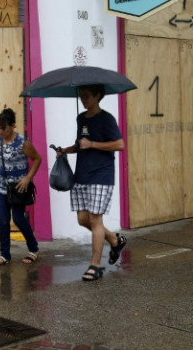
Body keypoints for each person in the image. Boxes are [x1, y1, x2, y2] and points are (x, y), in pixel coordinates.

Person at [56, 85, 127, 281]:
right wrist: (66, 150)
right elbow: (80, 145)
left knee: (96, 220)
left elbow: (120, 144)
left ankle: (95, 266)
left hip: (101, 175)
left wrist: (93, 144)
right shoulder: (81, 118)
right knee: (82, 219)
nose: (83, 99)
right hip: (81, 175)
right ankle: (114, 240)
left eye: (86, 96)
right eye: (81, 96)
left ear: (98, 96)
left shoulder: (107, 119)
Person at [0, 108, 41, 267]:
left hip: (18, 187)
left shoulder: (22, 142)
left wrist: (27, 178)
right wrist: (0, 175)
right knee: (3, 221)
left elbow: (37, 159)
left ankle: (34, 249)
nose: (0, 131)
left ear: (12, 126)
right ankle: (4, 255)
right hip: (0, 187)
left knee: (18, 219)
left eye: (3, 127)